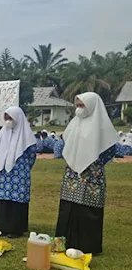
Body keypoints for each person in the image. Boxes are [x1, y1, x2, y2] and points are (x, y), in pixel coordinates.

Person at [56, 92, 118, 254]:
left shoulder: (102, 126)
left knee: (88, 209)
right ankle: (64, 242)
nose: (79, 109)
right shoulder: (74, 123)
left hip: (92, 176)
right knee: (69, 208)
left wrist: (93, 163)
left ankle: (87, 245)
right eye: (77, 105)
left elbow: (110, 149)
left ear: (91, 106)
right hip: (72, 176)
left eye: (82, 105)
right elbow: (66, 142)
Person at [0, 107, 37, 238]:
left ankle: (15, 229)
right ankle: (2, 226)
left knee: (17, 200)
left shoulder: (27, 136)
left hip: (19, 174)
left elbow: (32, 156)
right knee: (3, 199)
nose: (7, 121)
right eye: (5, 118)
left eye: (10, 118)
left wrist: (23, 168)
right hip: (3, 174)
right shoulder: (3, 133)